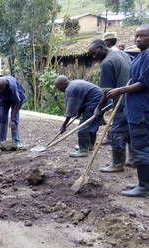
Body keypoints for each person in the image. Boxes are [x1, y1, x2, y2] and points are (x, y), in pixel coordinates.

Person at [106, 24, 149, 197]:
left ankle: (144, 187)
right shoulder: (140, 56)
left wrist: (120, 90)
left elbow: (144, 83)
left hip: (142, 112)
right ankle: (143, 183)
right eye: (136, 35)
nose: (138, 39)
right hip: (136, 110)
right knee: (140, 146)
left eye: (143, 36)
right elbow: (135, 79)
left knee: (142, 148)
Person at [88, 39, 132, 171]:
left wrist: (98, 109)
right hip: (132, 99)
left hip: (121, 102)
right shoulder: (122, 54)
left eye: (95, 53)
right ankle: (133, 159)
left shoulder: (107, 63)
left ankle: (118, 164)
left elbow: (106, 92)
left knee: (116, 132)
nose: (94, 57)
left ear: (102, 47)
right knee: (129, 130)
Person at [54, 76, 104, 158]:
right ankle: (89, 146)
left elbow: (70, 110)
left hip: (95, 102)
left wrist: (64, 125)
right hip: (101, 101)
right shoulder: (74, 83)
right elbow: (82, 98)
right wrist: (80, 111)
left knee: (83, 126)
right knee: (91, 125)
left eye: (58, 88)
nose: (59, 90)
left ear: (62, 85)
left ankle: (83, 150)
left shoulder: (70, 89)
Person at [0, 76, 26, 149]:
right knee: (2, 118)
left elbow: (17, 102)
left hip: (17, 98)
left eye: (1, 89)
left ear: (6, 85)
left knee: (14, 120)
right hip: (4, 99)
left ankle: (17, 141)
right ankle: (1, 142)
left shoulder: (12, 86)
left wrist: (12, 119)